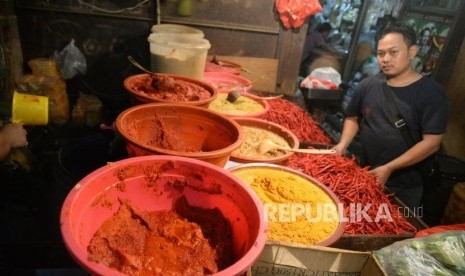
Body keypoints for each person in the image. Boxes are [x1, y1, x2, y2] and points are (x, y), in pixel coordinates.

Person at [332, 21, 448, 210]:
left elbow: (432, 142)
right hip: (366, 175)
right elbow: (353, 117)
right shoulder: (367, 85)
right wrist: (342, 144)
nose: (385, 59)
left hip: (405, 186)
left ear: (412, 52)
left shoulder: (432, 93)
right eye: (380, 53)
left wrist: (389, 167)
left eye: (393, 52)